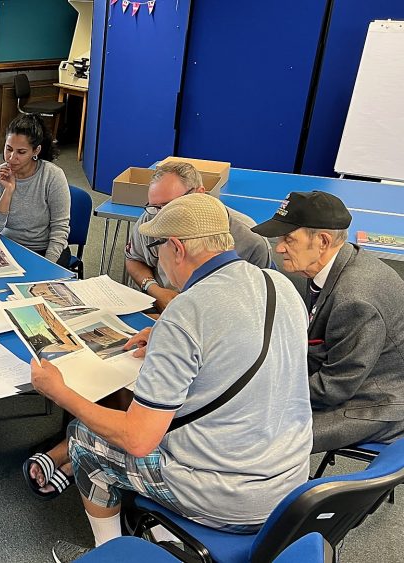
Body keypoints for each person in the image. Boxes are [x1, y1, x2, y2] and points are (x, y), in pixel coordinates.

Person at [29, 194, 312, 558]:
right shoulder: (280, 284)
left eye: (157, 247)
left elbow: (137, 440)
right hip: (289, 484)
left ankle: (115, 555)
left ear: (177, 248)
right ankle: (167, 538)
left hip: (232, 498)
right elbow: (248, 338)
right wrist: (164, 331)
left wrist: (59, 392)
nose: (156, 258)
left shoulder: (186, 313)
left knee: (85, 440)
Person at [251, 191, 404, 453]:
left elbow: (334, 388)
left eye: (289, 239)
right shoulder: (329, 265)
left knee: (259, 436)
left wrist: (261, 391)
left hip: (376, 402)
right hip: (348, 381)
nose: (278, 247)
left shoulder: (355, 300)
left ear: (322, 241)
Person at [125, 161, 271, 311]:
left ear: (200, 192)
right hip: (160, 307)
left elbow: (256, 304)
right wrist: (155, 290)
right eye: (155, 207)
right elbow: (134, 259)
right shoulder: (152, 218)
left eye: (170, 205)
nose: (162, 214)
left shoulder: (250, 239)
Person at [0, 113, 70, 263]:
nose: (11, 157)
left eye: (21, 152)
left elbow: (59, 229)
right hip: (8, 247)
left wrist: (48, 266)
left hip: (43, 250)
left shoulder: (52, 175)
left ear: (35, 151)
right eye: (8, 149)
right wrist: (8, 191)